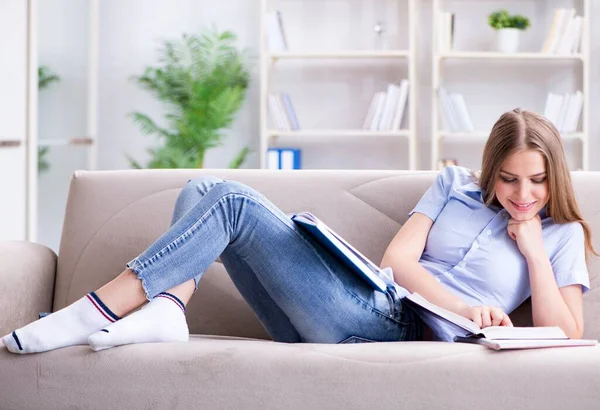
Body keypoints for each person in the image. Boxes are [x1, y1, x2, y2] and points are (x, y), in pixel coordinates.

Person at [2, 108, 594, 354]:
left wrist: (535, 252)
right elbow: (400, 263)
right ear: (490, 170)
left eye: (536, 181)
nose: (522, 195)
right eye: (509, 179)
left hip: (406, 334)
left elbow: (566, 334)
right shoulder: (452, 187)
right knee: (203, 191)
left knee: (228, 202)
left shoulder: (561, 234)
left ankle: (96, 311)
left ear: (553, 176)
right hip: (373, 305)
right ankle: (169, 307)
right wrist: (466, 302)